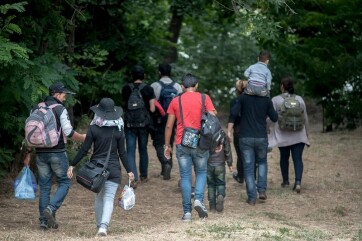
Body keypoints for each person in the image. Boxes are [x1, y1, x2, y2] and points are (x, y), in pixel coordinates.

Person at [67, 98, 134, 236]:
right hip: (114, 169)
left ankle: (99, 225)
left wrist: (72, 164)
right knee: (109, 198)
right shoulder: (119, 129)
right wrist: (130, 170)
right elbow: (122, 153)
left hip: (97, 170)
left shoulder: (93, 128)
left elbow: (84, 149)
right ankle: (103, 227)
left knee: (99, 198)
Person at [24, 82, 86, 230]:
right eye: (64, 94)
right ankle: (50, 209)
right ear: (57, 94)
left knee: (44, 186)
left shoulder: (36, 108)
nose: (65, 97)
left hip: (40, 153)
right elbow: (69, 133)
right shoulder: (60, 109)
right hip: (57, 152)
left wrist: (28, 154)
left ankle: (43, 222)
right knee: (64, 182)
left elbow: (30, 133)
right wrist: (84, 137)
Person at [164, 73, 217, 221]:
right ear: (197, 86)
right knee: (201, 172)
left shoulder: (176, 100)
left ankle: (187, 213)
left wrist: (167, 145)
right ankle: (199, 199)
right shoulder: (204, 98)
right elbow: (213, 118)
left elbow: (169, 126)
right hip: (201, 142)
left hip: (182, 142)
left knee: (185, 176)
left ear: (182, 86)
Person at [227, 83, 278, 205]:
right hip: (261, 136)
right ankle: (261, 191)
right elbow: (275, 117)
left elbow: (233, 113)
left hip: (245, 136)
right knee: (261, 162)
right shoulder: (266, 99)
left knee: (248, 167)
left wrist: (229, 129)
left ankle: (251, 197)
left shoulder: (243, 98)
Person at [268, 76, 309, 193]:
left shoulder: (276, 100)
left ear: (282, 86)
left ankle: (285, 182)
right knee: (298, 159)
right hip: (299, 135)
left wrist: (265, 128)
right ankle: (298, 182)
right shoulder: (300, 99)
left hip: (283, 135)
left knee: (284, 158)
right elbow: (305, 118)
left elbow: (270, 117)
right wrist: (307, 134)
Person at [121, 65, 155, 187]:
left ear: (132, 76)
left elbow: (124, 106)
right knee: (143, 149)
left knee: (130, 150)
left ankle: (132, 178)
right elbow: (152, 108)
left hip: (129, 124)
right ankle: (144, 175)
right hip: (143, 125)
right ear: (143, 76)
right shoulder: (149, 89)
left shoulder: (126, 88)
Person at [150, 63, 182, 180]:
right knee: (169, 142)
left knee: (158, 143)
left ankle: (165, 163)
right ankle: (166, 168)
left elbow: (152, 105)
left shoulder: (155, 86)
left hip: (159, 119)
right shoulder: (177, 86)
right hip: (173, 118)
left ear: (159, 72)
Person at [229, 80, 258, 183]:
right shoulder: (254, 100)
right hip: (252, 131)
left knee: (240, 155)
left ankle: (241, 177)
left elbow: (232, 117)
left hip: (238, 131)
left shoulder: (235, 101)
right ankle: (253, 177)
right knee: (252, 155)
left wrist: (229, 131)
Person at [207, 135, 233, 212]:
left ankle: (212, 206)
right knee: (221, 183)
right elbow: (227, 149)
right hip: (220, 164)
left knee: (211, 185)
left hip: (209, 163)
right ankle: (220, 194)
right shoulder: (222, 134)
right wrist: (230, 163)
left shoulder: (205, 133)